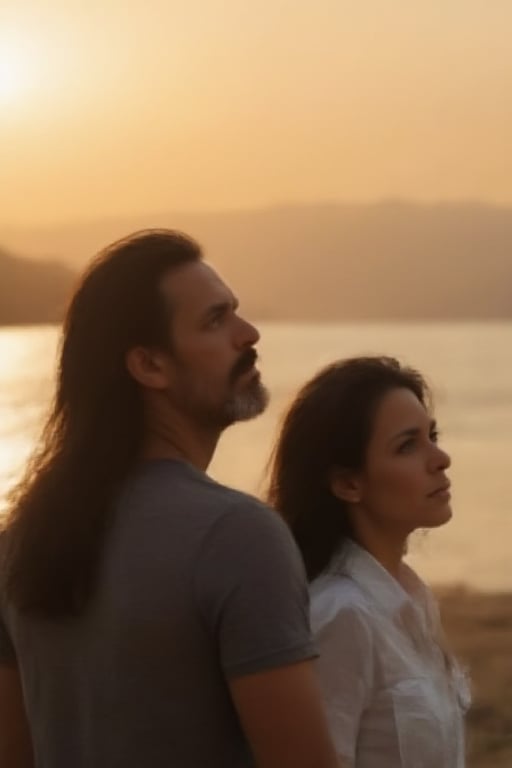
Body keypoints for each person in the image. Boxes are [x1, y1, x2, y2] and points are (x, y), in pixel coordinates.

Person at [0, 230, 339, 768]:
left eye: (236, 313)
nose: (248, 334)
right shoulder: (237, 535)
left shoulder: (22, 540)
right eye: (215, 320)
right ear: (150, 366)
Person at [266, 356, 470, 768]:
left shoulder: (412, 602)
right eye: (407, 445)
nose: (440, 458)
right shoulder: (341, 616)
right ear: (347, 483)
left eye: (432, 435)